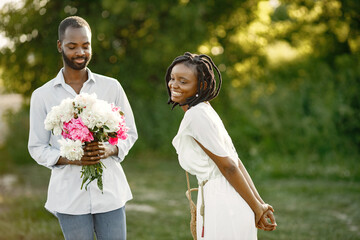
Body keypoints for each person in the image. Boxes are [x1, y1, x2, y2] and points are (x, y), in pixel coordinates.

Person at [28, 16, 137, 240]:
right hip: (69, 197)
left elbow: (130, 133)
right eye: (72, 46)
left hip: (110, 193)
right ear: (60, 46)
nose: (80, 52)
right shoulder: (42, 95)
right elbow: (37, 146)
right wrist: (71, 157)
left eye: (85, 45)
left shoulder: (111, 87)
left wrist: (111, 149)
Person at [165, 52, 277, 239]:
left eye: (183, 81)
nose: (174, 85)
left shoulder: (196, 116)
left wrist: (258, 207)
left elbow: (230, 166)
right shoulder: (205, 109)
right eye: (172, 78)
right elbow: (235, 162)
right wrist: (258, 204)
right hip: (228, 196)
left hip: (222, 200)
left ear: (200, 85)